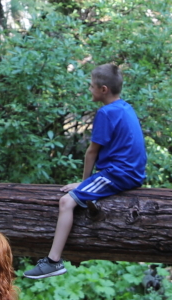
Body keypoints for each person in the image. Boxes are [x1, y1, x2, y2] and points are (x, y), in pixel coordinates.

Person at [24, 63, 145, 280]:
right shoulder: (126, 107)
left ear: (103, 89)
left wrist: (83, 183)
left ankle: (53, 261)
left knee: (66, 202)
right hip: (128, 171)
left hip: (120, 173)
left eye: (91, 87)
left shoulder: (106, 113)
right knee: (72, 199)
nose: (89, 90)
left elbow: (92, 152)